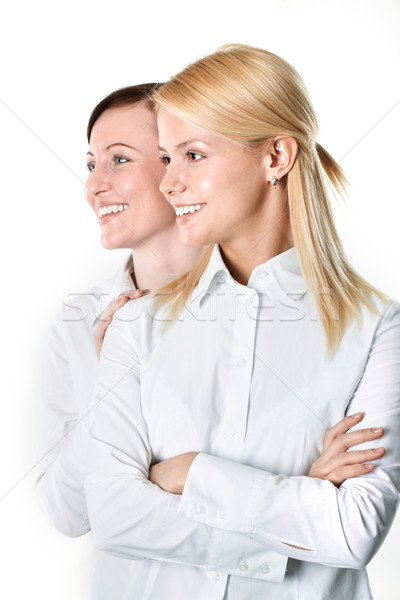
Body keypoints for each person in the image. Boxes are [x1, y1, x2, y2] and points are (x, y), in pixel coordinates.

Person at [82, 45, 400, 599]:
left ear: (276, 156)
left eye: (194, 155)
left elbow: (354, 531)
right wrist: (301, 498)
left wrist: (190, 474)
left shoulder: (377, 328)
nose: (168, 183)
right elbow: (113, 515)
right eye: (164, 156)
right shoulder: (138, 326)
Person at [35, 83, 202, 599]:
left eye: (118, 160)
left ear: (181, 168)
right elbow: (69, 513)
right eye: (91, 165)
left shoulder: (268, 306)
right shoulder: (75, 326)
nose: (94, 186)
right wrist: (113, 386)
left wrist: (135, 484)